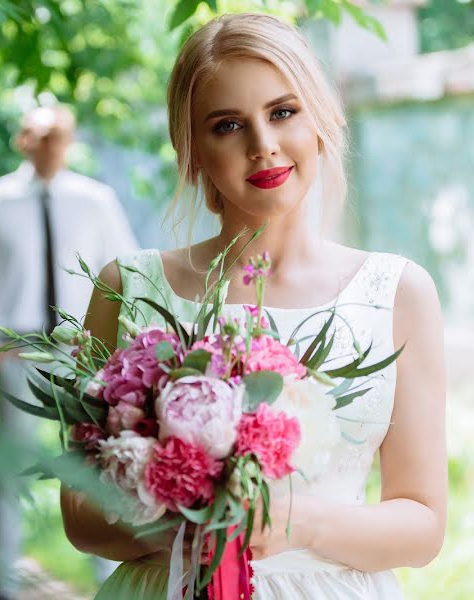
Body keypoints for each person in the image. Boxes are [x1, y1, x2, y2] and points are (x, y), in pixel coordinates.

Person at [61, 13, 447, 599]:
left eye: (283, 112)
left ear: (319, 118)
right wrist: (189, 522)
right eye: (227, 126)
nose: (263, 145)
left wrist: (294, 524)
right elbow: (80, 513)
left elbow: (422, 524)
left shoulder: (398, 294)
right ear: (193, 151)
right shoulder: (127, 287)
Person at [0, 105, 138, 600]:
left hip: (80, 355)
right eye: (42, 137)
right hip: (17, 355)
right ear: (22, 140)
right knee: (10, 470)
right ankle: (4, 586)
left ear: (71, 141)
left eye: (61, 137)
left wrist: (113, 354)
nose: (52, 146)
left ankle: (106, 582)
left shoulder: (96, 202)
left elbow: (126, 277)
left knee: (98, 465)